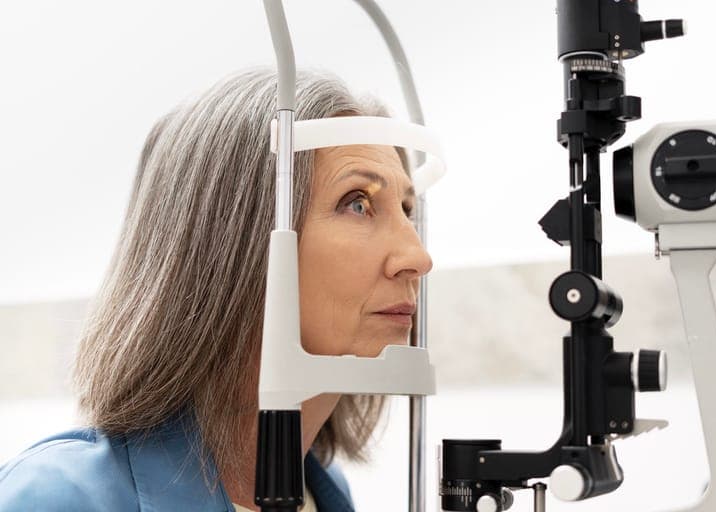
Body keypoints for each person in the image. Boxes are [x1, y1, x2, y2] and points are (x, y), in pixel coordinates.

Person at [0, 68, 432, 511]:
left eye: (405, 209)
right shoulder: (52, 498)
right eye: (357, 203)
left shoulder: (324, 493)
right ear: (230, 238)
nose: (418, 258)